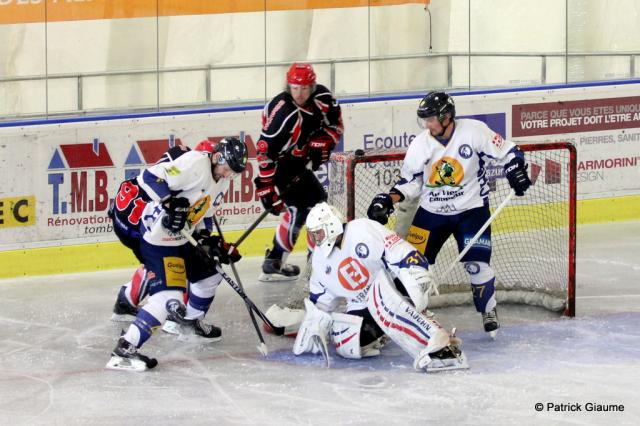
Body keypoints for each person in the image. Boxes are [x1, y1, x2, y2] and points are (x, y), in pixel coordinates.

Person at [366, 91, 532, 339]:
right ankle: (403, 316)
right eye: (425, 119)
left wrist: (515, 168)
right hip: (431, 214)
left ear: (446, 117)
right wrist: (389, 199)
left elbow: (509, 151)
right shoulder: (420, 145)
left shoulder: (474, 131)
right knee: (410, 266)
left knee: (477, 265)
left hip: (471, 212)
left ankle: (488, 310)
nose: (427, 124)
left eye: (432, 118)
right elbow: (409, 183)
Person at [106, 137, 248, 372]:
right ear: (218, 157)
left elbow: (203, 215)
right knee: (168, 298)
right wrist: (170, 203)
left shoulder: (221, 180)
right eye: (227, 168)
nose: (228, 175)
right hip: (158, 239)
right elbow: (149, 178)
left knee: (211, 273)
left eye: (233, 172)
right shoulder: (194, 163)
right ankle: (124, 349)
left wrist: (211, 243)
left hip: (183, 238)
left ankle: (187, 323)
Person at [292, 202, 468, 372]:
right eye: (313, 234)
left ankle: (442, 348)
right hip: (362, 304)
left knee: (383, 304)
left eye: (319, 233)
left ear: (331, 226)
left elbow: (399, 251)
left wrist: (414, 270)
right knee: (347, 343)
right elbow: (321, 301)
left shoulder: (362, 229)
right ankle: (387, 331)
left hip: (392, 286)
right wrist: (315, 323)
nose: (316, 238)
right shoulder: (320, 259)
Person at [254, 62, 343, 282]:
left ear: (312, 86)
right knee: (309, 208)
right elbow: (265, 152)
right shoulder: (283, 114)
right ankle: (314, 265)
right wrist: (266, 189)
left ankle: (275, 260)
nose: (299, 93)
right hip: (282, 164)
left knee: (311, 207)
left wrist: (322, 143)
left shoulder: (323, 97)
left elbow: (336, 125)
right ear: (288, 86)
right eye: (294, 87)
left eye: (304, 88)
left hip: (297, 160)